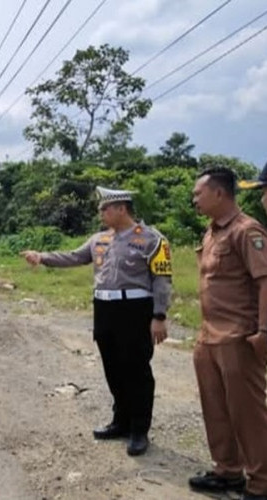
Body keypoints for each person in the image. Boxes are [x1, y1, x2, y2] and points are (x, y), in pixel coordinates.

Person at [21, 186, 172, 456]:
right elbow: (73, 257)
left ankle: (139, 429)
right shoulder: (99, 239)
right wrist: (42, 257)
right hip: (104, 309)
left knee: (136, 370)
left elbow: (162, 280)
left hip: (135, 309)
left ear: (121, 209)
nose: (100, 213)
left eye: (105, 208)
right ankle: (120, 421)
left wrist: (159, 315)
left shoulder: (152, 239)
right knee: (113, 368)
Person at [188, 166, 267, 500]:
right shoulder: (210, 233)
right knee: (215, 408)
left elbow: (264, 281)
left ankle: (261, 482)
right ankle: (227, 471)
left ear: (219, 193)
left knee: (247, 413)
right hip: (209, 337)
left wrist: (264, 330)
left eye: (198, 193)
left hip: (237, 337)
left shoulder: (247, 231)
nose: (194, 199)